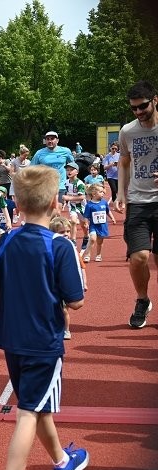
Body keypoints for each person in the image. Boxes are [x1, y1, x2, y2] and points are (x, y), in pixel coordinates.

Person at [0, 165, 89, 470]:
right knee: (28, 411)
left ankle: (63, 462)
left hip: (11, 342)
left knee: (35, 402)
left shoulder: (6, 240)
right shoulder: (60, 246)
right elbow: (76, 300)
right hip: (44, 342)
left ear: (16, 203)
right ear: (55, 202)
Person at [114, 80, 158, 329]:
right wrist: (121, 192)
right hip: (138, 201)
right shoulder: (128, 131)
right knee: (139, 257)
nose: (139, 112)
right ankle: (142, 300)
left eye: (142, 106)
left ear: (155, 100)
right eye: (134, 108)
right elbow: (124, 161)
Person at [49, 216, 87, 340]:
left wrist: (84, 283)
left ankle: (66, 330)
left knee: (64, 310)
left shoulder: (71, 248)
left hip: (64, 285)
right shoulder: (50, 247)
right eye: (61, 232)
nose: (65, 234)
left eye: (67, 231)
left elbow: (81, 267)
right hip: (53, 285)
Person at [31, 131, 74, 206]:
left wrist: (73, 180)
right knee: (46, 210)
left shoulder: (65, 151)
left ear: (57, 140)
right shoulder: (39, 153)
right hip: (45, 187)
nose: (50, 141)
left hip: (60, 185)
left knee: (58, 208)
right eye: (47, 139)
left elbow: (73, 166)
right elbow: (32, 168)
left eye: (52, 139)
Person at [83, 183, 116, 262]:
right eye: (101, 192)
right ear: (94, 194)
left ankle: (98, 255)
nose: (103, 193)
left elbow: (108, 211)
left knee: (100, 242)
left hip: (102, 226)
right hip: (93, 226)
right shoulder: (89, 205)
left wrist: (113, 218)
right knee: (92, 239)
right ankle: (87, 254)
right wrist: (86, 223)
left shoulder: (104, 203)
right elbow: (86, 216)